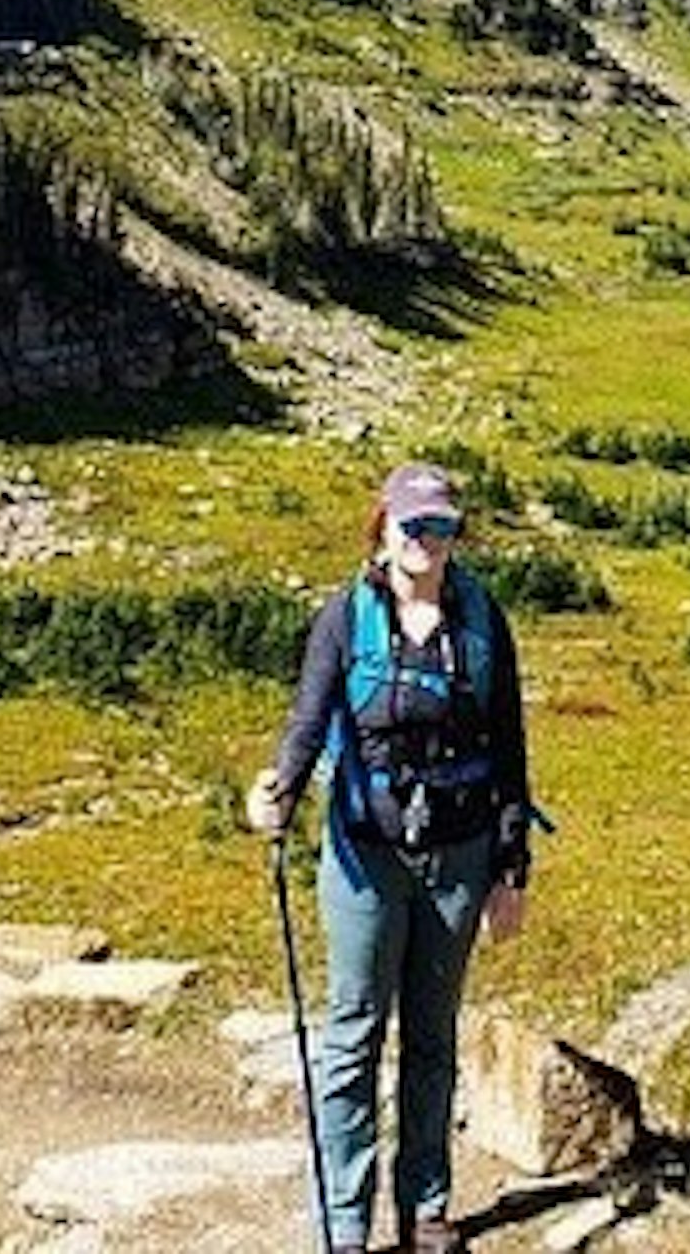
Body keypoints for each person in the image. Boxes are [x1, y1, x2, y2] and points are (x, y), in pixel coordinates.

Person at [245, 460, 536, 1254]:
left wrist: (513, 871)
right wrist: (279, 791)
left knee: (432, 1038)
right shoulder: (345, 615)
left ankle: (426, 1209)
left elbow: (509, 746)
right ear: (384, 526)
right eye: (413, 524)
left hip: (460, 855)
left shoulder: (483, 621)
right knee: (352, 1036)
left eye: (441, 526)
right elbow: (309, 721)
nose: (426, 540)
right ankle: (345, 1221)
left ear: (455, 534)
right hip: (363, 856)